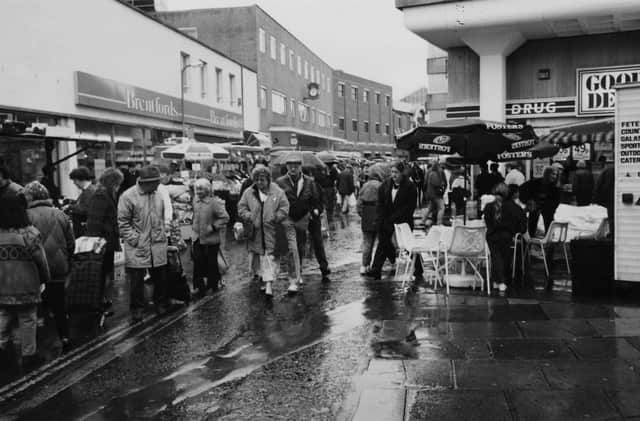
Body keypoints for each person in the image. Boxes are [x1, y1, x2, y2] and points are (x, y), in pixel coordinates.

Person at [0, 195, 50, 370]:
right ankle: (29, 355)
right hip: (26, 284)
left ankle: (3, 349)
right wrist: (45, 278)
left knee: (3, 316)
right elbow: (41, 261)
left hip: (2, 284)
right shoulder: (29, 233)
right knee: (27, 319)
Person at [24, 181, 75, 352]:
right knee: (60, 303)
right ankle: (65, 336)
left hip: (36, 267)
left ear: (29, 197)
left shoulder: (25, 216)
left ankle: (38, 343)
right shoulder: (60, 214)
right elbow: (70, 243)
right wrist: (66, 259)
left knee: (36, 306)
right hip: (58, 265)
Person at [117, 166, 169, 322]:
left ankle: (160, 304)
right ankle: (137, 309)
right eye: (155, 183)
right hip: (138, 245)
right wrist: (135, 240)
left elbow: (160, 217)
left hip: (157, 242)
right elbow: (123, 222)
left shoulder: (158, 194)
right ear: (145, 182)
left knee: (160, 277)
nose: (158, 185)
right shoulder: (128, 196)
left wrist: (163, 232)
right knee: (136, 281)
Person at [276, 155, 326, 292]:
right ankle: (297, 275)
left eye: (296, 165)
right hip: (290, 218)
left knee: (312, 243)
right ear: (286, 167)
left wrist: (315, 211)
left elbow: (316, 199)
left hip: (307, 216)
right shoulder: (280, 182)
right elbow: (276, 200)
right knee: (295, 247)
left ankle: (323, 269)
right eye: (290, 165)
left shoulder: (309, 181)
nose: (293, 168)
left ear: (300, 167)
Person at [238, 166, 290, 296]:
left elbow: (285, 206)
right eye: (256, 180)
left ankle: (269, 285)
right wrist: (249, 216)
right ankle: (264, 279)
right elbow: (241, 207)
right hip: (255, 232)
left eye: (262, 180)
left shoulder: (277, 191)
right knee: (259, 257)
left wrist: (277, 216)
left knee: (270, 257)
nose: (259, 183)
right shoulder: (249, 192)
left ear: (268, 179)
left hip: (272, 230)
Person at [366, 162, 417, 280]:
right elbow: (380, 203)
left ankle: (418, 267)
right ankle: (376, 269)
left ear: (402, 173)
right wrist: (381, 219)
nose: (393, 175)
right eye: (392, 172)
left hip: (403, 221)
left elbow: (409, 207)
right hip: (386, 219)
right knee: (383, 242)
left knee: (408, 245)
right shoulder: (385, 184)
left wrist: (394, 219)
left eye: (396, 172)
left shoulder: (410, 186)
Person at [86, 168, 124, 310]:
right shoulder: (101, 195)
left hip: (106, 242)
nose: (118, 187)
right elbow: (95, 222)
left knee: (106, 273)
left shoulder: (106, 193)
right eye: (118, 183)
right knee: (101, 274)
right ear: (112, 182)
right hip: (102, 243)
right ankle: (99, 303)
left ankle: (103, 301)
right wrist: (96, 244)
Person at [483, 183, 527, 292]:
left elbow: (487, 222)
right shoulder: (514, 208)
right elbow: (522, 226)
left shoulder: (488, 207)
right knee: (504, 258)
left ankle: (497, 281)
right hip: (507, 236)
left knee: (495, 257)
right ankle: (501, 281)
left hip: (492, 235)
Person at [191, 178, 229, 297]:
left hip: (211, 239)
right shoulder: (195, 200)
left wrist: (213, 226)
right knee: (197, 262)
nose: (198, 191)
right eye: (197, 188)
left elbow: (225, 217)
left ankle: (213, 284)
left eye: (201, 189)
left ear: (207, 190)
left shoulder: (214, 203)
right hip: (197, 237)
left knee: (211, 263)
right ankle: (198, 286)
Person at [303, 166, 331, 283]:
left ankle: (324, 267)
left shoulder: (315, 186)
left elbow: (321, 201)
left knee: (318, 241)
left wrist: (317, 210)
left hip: (313, 217)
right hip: (301, 217)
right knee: (301, 243)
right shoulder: (298, 187)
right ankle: (298, 269)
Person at [357, 165, 383, 275]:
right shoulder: (381, 186)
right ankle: (376, 265)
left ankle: (364, 265)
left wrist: (362, 214)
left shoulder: (364, 186)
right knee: (380, 242)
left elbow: (359, 204)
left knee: (367, 242)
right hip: (378, 214)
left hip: (366, 215)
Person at [520, 167, 561, 236]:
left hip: (547, 209)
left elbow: (555, 202)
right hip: (535, 206)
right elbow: (521, 189)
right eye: (553, 174)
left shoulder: (555, 188)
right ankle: (531, 239)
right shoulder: (535, 182)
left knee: (549, 222)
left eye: (556, 175)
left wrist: (549, 208)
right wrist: (528, 201)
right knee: (532, 221)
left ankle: (548, 241)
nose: (554, 176)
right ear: (547, 174)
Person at [68, 166, 97, 238]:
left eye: (74, 180)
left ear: (78, 179)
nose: (74, 183)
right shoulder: (88, 190)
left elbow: (85, 209)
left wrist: (70, 207)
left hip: (84, 229)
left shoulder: (90, 191)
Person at [593, 161, 614, 236]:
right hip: (614, 197)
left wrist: (597, 199)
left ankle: (613, 235)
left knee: (612, 217)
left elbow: (599, 185)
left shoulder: (607, 171)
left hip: (610, 198)